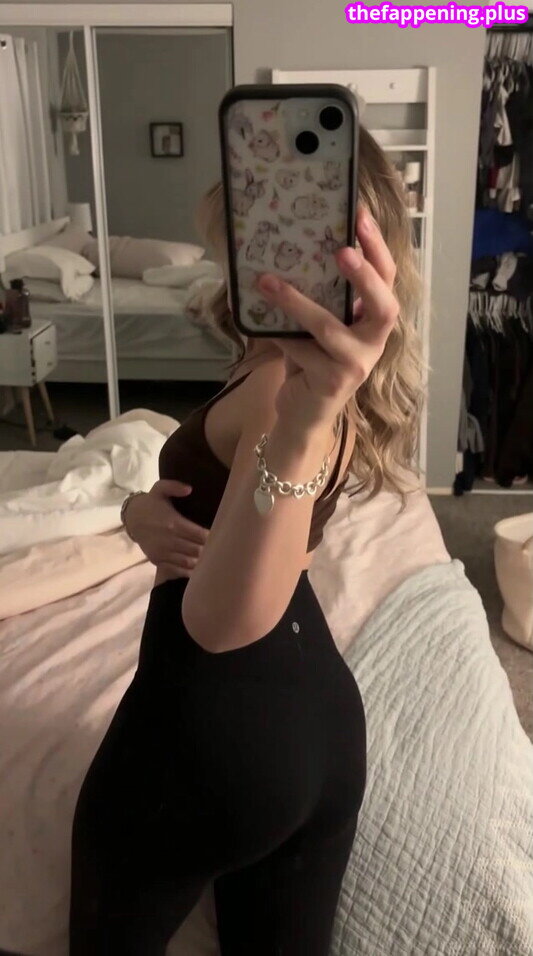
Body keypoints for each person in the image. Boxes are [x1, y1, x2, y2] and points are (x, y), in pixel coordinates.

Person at [68, 126, 423, 955]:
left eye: (241, 243)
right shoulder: (295, 376)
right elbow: (287, 546)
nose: (226, 264)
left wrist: (297, 429)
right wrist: (139, 512)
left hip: (208, 737)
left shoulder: (284, 391)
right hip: (318, 723)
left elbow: (222, 626)